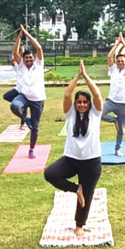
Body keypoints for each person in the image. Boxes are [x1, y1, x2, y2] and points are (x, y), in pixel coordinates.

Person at [43, 60, 104, 237]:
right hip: (71, 159)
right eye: (79, 102)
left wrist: (86, 76)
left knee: (87, 195)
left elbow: (97, 94)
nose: (82, 105)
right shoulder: (70, 114)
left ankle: (79, 225)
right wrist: (77, 77)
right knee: (50, 174)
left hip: (91, 161)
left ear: (89, 104)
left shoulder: (96, 113)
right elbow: (67, 95)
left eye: (85, 102)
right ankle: (76, 189)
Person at [10, 25, 46, 158]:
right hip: (24, 97)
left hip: (38, 100)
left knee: (35, 127)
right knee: (14, 106)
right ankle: (26, 119)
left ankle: (31, 149)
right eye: (26, 58)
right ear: (23, 59)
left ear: (33, 58)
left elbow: (39, 48)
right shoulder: (21, 66)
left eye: (30, 58)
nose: (29, 60)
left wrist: (27, 34)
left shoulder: (38, 64)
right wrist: (19, 36)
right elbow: (15, 53)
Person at [102, 32, 125, 157]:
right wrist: (117, 44)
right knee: (100, 114)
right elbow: (109, 56)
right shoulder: (113, 70)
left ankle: (118, 149)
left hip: (124, 103)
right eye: (119, 61)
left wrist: (124, 43)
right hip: (111, 100)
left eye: (122, 61)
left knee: (121, 129)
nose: (121, 62)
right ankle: (114, 120)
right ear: (116, 62)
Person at [3, 44, 26, 130]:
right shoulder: (18, 66)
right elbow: (12, 61)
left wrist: (23, 53)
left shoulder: (27, 66)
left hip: (24, 91)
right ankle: (20, 103)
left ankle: (22, 124)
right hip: (17, 89)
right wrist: (18, 53)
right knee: (6, 96)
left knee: (23, 108)